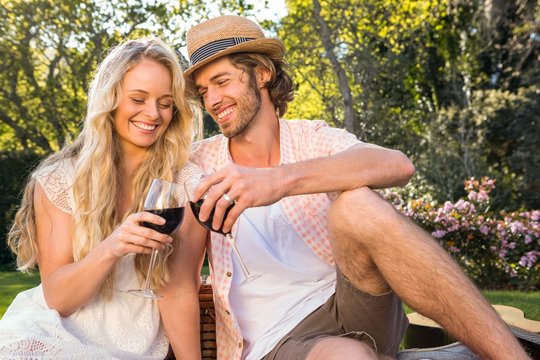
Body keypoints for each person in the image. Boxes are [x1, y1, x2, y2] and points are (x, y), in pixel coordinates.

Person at [171, 15, 530, 360]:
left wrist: (278, 180)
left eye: (222, 81)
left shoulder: (310, 138)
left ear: (262, 73)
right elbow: (180, 283)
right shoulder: (200, 166)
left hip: (355, 304)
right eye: (204, 91)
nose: (212, 100)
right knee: (348, 355)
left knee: (355, 203)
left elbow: (397, 165)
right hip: (279, 339)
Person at [0, 37, 206, 359]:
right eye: (138, 98)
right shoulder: (59, 179)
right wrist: (113, 246)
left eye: (165, 103)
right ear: (110, 99)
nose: (153, 114)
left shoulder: (186, 185)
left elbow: (178, 289)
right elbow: (59, 299)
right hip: (53, 331)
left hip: (134, 346)